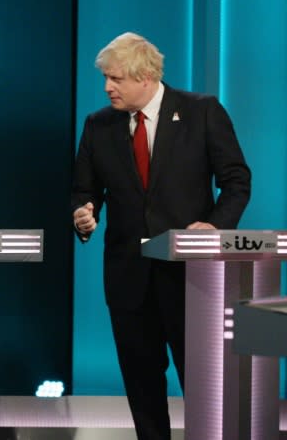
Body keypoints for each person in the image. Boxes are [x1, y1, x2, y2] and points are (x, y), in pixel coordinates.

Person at [71, 32, 251, 440]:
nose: (107, 87)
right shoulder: (99, 125)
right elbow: (85, 189)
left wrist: (214, 228)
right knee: (141, 382)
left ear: (147, 76)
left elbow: (237, 181)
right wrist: (83, 212)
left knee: (203, 381)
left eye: (116, 79)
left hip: (190, 276)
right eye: (106, 78)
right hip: (128, 276)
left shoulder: (201, 111)